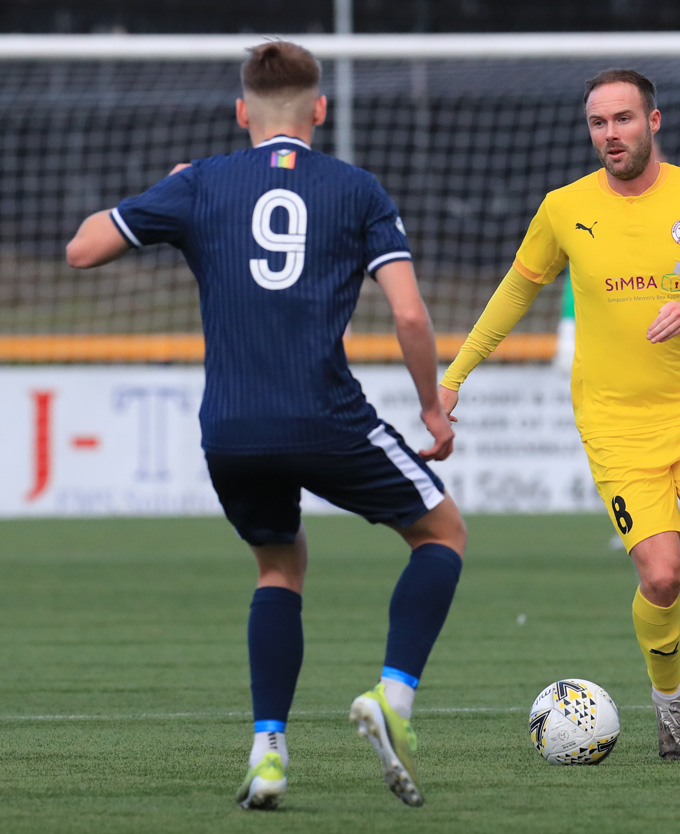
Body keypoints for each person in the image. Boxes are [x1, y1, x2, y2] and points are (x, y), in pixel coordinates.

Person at [66, 40, 466, 809]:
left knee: (279, 567)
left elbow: (82, 250)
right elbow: (411, 314)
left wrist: (171, 188)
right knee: (441, 533)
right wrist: (430, 407)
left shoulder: (201, 183)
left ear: (240, 111)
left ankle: (269, 754)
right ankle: (392, 698)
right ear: (321, 110)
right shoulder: (356, 189)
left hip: (231, 428)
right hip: (325, 416)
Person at [440, 69, 680, 762]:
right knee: (662, 576)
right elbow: (514, 294)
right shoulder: (564, 208)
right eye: (598, 123)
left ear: (653, 122)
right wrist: (454, 376)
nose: (610, 134)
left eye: (623, 119)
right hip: (615, 424)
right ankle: (672, 713)